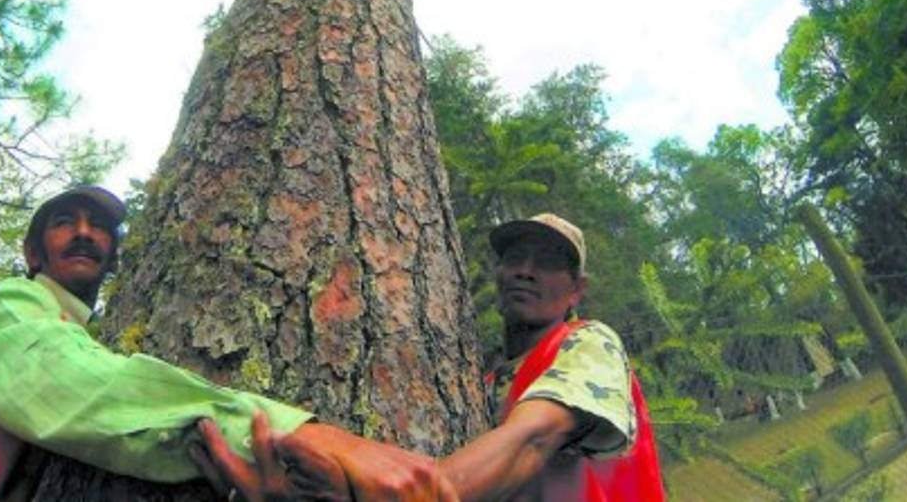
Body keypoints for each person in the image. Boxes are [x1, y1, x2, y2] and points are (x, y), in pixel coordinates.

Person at [0, 185, 453, 501]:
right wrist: (292, 433)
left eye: (98, 225)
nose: (85, 232)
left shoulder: (82, 333)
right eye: (64, 221)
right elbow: (71, 385)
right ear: (33, 254)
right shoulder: (9, 305)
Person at [199, 212, 664, 501]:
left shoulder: (588, 342)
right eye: (515, 259)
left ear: (577, 289)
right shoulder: (477, 383)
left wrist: (392, 494)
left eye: (546, 262)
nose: (525, 270)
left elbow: (534, 438)